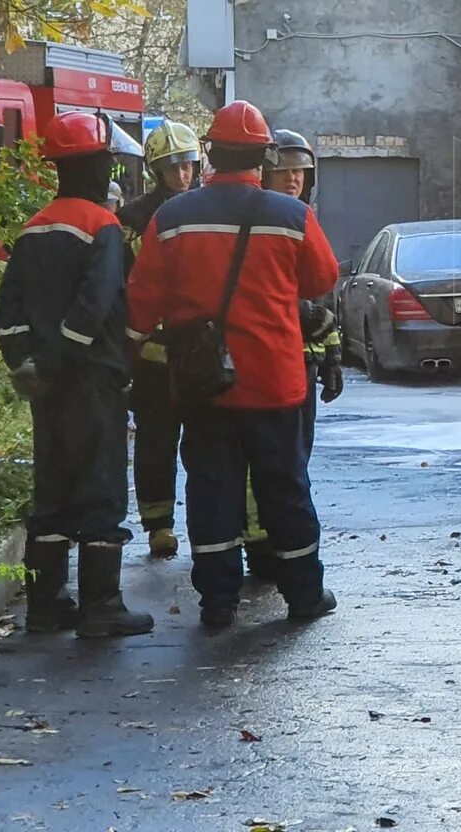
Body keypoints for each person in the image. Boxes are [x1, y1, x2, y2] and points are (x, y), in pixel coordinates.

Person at [128, 101, 340, 628]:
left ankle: (218, 602)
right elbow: (321, 280)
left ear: (210, 154)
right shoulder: (292, 216)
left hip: (203, 384)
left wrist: (126, 357)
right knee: (285, 488)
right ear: (263, 156)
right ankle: (304, 596)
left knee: (211, 488)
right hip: (275, 381)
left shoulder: (171, 218)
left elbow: (142, 301)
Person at [0, 112, 155, 638]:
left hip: (45, 384)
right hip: (92, 380)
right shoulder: (102, 227)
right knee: (101, 487)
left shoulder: (33, 228)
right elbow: (96, 303)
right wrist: (65, 358)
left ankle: (46, 604)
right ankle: (101, 607)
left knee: (53, 489)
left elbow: (8, 310)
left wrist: (26, 364)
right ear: (98, 162)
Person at [236, 129, 343, 584]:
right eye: (283, 171)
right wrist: (304, 313)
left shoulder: (303, 218)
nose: (293, 179)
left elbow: (324, 296)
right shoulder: (257, 221)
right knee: (264, 469)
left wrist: (331, 357)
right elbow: (269, 294)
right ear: (264, 173)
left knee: (294, 463)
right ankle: (264, 548)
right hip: (265, 366)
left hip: (300, 367)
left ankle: (282, 543)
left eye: (300, 172)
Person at [119, 121, 202, 559]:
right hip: (152, 353)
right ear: (157, 171)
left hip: (201, 351)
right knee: (155, 443)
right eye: (172, 168)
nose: (181, 176)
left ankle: (209, 523)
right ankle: (159, 525)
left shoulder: (211, 210)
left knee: (206, 442)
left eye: (187, 166)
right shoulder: (132, 218)